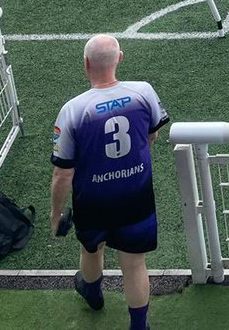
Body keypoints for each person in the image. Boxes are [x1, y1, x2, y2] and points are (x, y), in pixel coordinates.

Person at [51, 35, 168, 330]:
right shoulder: (143, 91)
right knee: (134, 264)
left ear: (86, 64)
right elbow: (151, 136)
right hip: (135, 194)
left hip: (92, 199)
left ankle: (92, 292)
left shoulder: (73, 110)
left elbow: (63, 173)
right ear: (121, 58)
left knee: (92, 249)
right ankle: (139, 326)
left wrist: (56, 213)